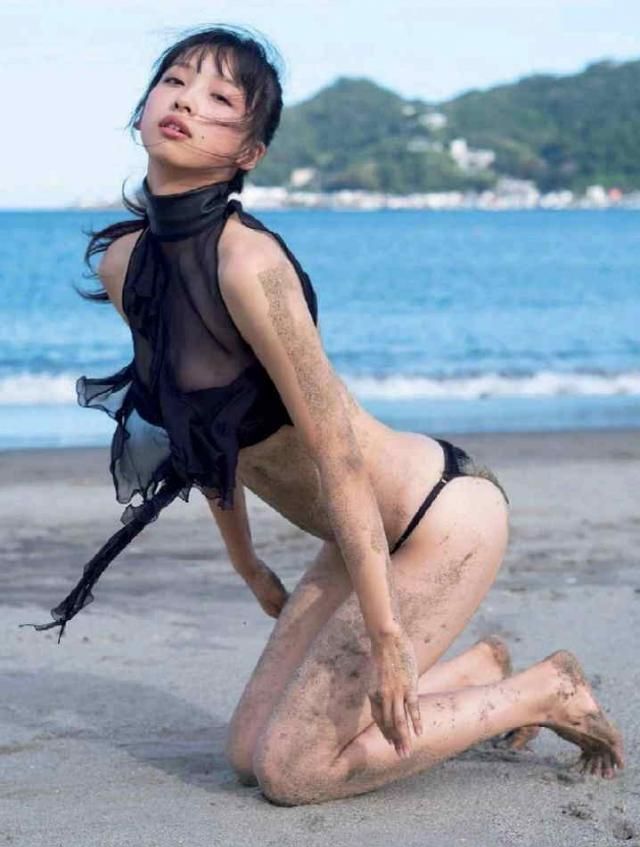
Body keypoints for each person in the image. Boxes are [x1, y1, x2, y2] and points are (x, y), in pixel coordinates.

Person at [21, 24, 624, 805]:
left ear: (248, 153)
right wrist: (247, 563)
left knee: (293, 769)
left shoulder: (250, 265)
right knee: (246, 751)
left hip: (438, 518)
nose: (186, 102)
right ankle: (480, 667)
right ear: (144, 107)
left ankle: (545, 690)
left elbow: (337, 457)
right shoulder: (123, 264)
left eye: (219, 99)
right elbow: (194, 427)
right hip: (356, 535)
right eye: (173, 81)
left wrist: (388, 635)